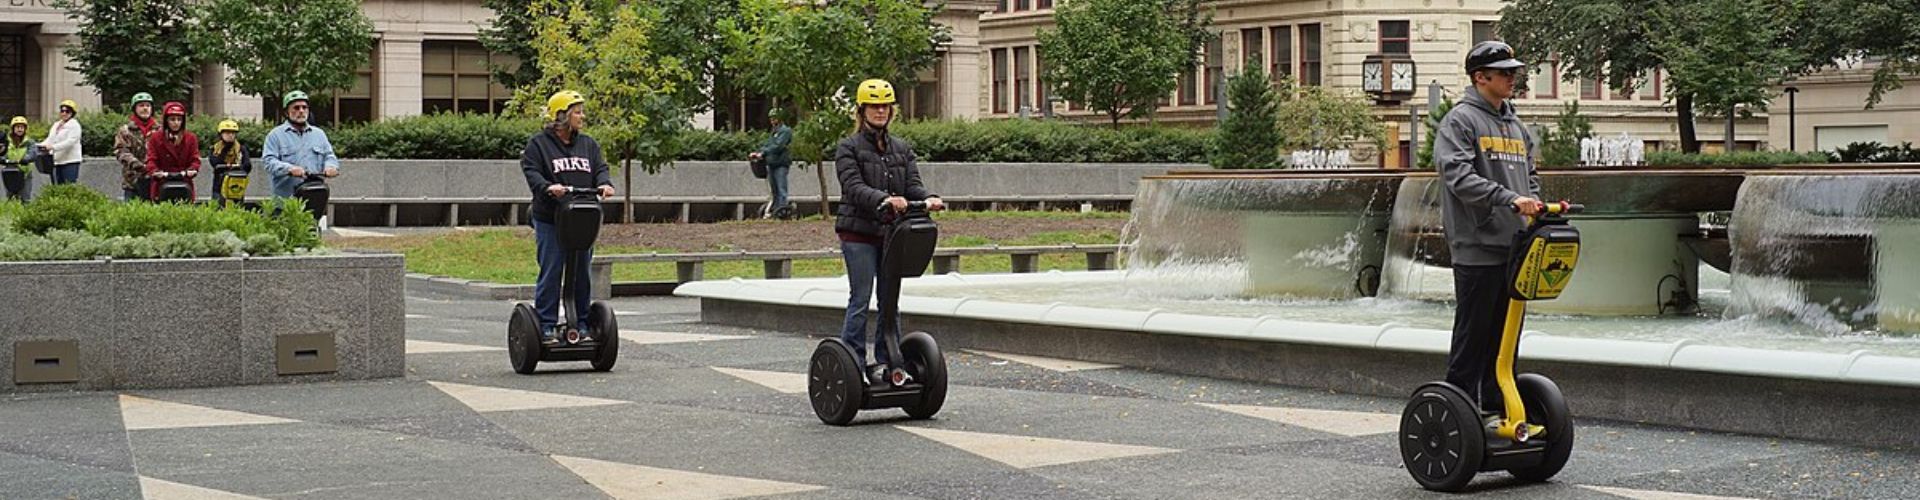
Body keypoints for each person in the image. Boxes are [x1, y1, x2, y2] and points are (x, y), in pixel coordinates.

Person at [1433, 40, 1545, 426]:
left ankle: (1499, 414)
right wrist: (1510, 199)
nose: (1513, 78)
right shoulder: (1460, 121)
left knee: (1505, 342)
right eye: (1505, 73)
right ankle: (1457, 420)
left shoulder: (1517, 126)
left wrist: (1535, 204)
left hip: (1515, 248)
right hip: (1477, 247)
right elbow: (1458, 177)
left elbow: (1530, 178)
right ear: (1481, 77)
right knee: (1473, 339)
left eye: (1514, 71)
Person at [833, 79, 945, 385]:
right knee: (861, 299)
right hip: (858, 234)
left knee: (889, 300)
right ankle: (854, 365)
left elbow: (913, 185)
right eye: (874, 105)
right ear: (862, 110)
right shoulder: (848, 147)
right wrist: (883, 199)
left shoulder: (901, 149)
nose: (880, 111)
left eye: (885, 105)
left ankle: (886, 362)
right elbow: (853, 187)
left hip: (892, 235)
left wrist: (928, 199)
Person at [519, 90, 615, 346]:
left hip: (582, 218)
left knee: (581, 271)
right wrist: (548, 187)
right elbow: (531, 170)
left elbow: (600, 169)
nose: (582, 116)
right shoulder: (538, 144)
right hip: (550, 218)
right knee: (552, 270)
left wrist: (604, 184)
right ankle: (547, 325)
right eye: (577, 111)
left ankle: (582, 324)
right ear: (561, 115)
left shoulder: (588, 145)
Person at [262, 91, 340, 216]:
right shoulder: (275, 135)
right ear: (287, 112)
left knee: (311, 234)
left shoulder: (319, 134)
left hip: (313, 201)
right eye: (296, 108)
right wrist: (289, 169)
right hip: (285, 203)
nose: (301, 111)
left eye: (304, 107)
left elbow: (329, 156)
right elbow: (268, 162)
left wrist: (331, 167)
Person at [143, 102, 201, 201]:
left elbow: (195, 159)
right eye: (172, 119)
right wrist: (155, 171)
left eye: (179, 119)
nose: (176, 123)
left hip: (184, 182)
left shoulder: (190, 138)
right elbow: (151, 159)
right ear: (166, 121)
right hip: (161, 183)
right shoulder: (156, 138)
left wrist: (193, 169)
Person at [115, 92, 160, 201]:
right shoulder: (125, 130)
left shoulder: (160, 130)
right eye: (141, 105)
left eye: (148, 106)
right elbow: (121, 151)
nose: (145, 109)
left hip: (156, 181)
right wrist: (138, 165)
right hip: (133, 182)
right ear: (134, 108)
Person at [750, 108, 793, 219]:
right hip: (771, 164)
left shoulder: (785, 131)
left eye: (774, 118)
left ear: (780, 118)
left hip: (781, 164)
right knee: (774, 190)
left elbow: (778, 146)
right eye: (771, 118)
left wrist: (763, 153)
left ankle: (782, 212)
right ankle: (775, 210)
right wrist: (758, 152)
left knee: (781, 189)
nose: (772, 120)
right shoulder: (774, 131)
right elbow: (768, 144)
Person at [208, 119, 253, 208]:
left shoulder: (241, 149)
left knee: (237, 209)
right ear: (221, 134)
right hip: (219, 186)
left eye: (233, 133)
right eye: (227, 133)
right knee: (218, 208)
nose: (231, 136)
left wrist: (236, 167)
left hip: (236, 186)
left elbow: (247, 166)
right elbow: (215, 163)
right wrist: (225, 149)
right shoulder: (215, 149)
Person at [39, 100, 83, 185]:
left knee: (69, 186)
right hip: (57, 161)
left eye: (67, 111)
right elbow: (50, 139)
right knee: (57, 185)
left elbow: (70, 142)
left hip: (70, 161)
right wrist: (40, 145)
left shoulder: (75, 125)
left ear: (72, 113)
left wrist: (53, 147)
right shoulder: (56, 125)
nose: (64, 113)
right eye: (62, 111)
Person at [2, 116, 37, 200]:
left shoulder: (29, 142)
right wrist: (3, 159)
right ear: (13, 128)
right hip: (9, 172)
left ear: (25, 129)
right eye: (17, 127)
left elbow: (32, 153)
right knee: (10, 198)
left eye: (22, 127)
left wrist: (25, 159)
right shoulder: (7, 142)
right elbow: (3, 152)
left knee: (25, 198)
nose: (20, 129)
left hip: (24, 172)